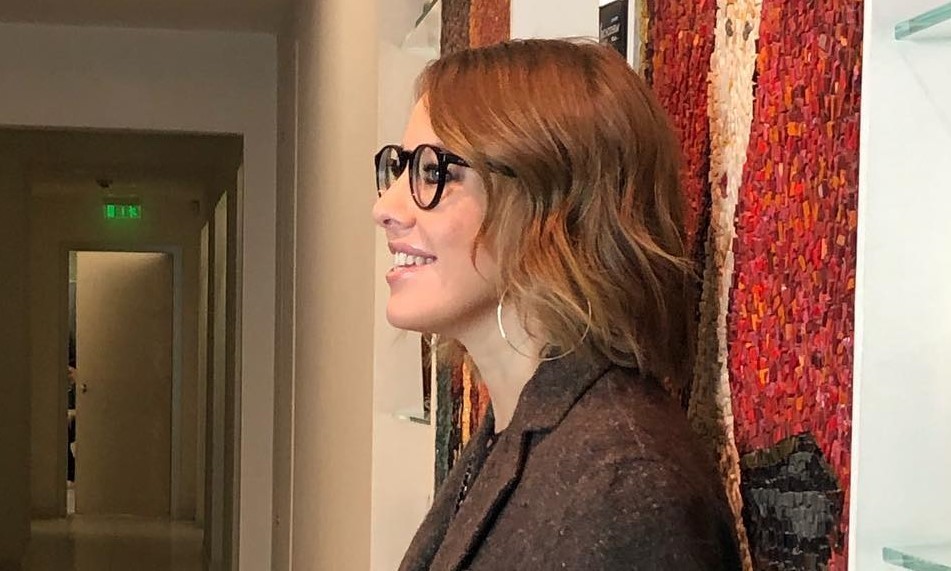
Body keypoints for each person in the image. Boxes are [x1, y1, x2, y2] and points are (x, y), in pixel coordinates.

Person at [373, 39, 741, 570]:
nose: (385, 207)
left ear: (553, 204)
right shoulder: (521, 431)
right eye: (399, 168)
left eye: (434, 173)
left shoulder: (624, 485)